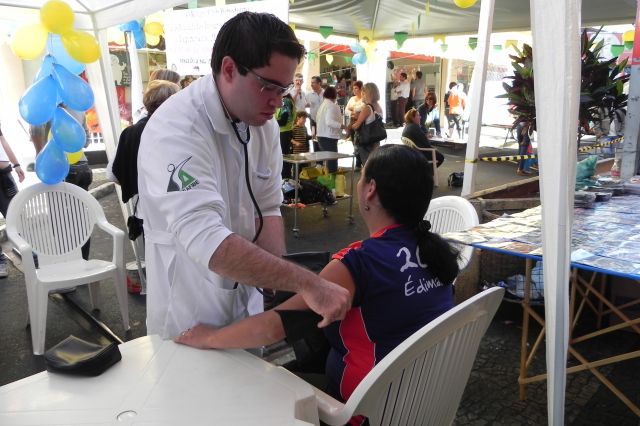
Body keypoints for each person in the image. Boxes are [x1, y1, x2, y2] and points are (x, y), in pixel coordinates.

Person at [175, 144, 459, 410]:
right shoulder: (436, 251)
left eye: (361, 176)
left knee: (252, 391)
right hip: (425, 399)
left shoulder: (359, 263)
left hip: (362, 409)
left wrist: (209, 337)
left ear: (370, 190)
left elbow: (273, 328)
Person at [136, 12, 349, 339]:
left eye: (283, 89)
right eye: (268, 86)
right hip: (188, 303)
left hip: (246, 295)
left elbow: (268, 205)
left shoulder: (262, 124)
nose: (277, 102)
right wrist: (306, 283)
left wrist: (274, 285)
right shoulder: (175, 129)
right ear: (229, 69)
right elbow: (206, 239)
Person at [30, 105, 93, 260]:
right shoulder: (77, 106)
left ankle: (69, 262)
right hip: (82, 166)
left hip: (58, 168)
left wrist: (41, 160)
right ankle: (83, 261)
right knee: (81, 219)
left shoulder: (44, 106)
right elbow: (86, 141)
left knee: (60, 221)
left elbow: (36, 133)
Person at [111, 80, 181, 203]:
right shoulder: (175, 131)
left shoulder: (129, 132)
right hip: (172, 203)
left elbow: (116, 173)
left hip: (140, 203)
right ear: (171, 103)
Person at [0, 123, 25, 278]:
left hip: (4, 177)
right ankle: (0, 261)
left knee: (17, 218)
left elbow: (2, 140)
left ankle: (32, 254)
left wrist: (16, 164)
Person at [352, 82, 383, 165]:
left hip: (366, 141)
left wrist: (352, 125)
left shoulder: (367, 108)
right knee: (374, 164)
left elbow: (356, 126)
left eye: (363, 92)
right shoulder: (378, 106)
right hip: (376, 139)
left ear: (367, 93)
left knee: (367, 165)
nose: (362, 94)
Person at [315, 86, 344, 173]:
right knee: (332, 161)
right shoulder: (331, 106)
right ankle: (332, 179)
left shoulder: (322, 106)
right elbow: (329, 122)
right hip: (329, 137)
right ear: (334, 95)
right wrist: (343, 126)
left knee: (328, 160)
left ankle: (329, 177)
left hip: (321, 136)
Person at [276, 93, 296, 178]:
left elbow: (283, 121)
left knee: (284, 158)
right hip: (286, 132)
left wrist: (270, 122)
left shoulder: (285, 101)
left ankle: (285, 179)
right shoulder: (288, 100)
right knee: (285, 157)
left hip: (284, 133)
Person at [307, 75, 324, 142]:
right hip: (313, 121)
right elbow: (304, 105)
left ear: (319, 83)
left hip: (323, 121)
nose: (311, 84)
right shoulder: (309, 94)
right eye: (311, 83)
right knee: (314, 139)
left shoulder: (325, 93)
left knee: (322, 140)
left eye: (313, 82)